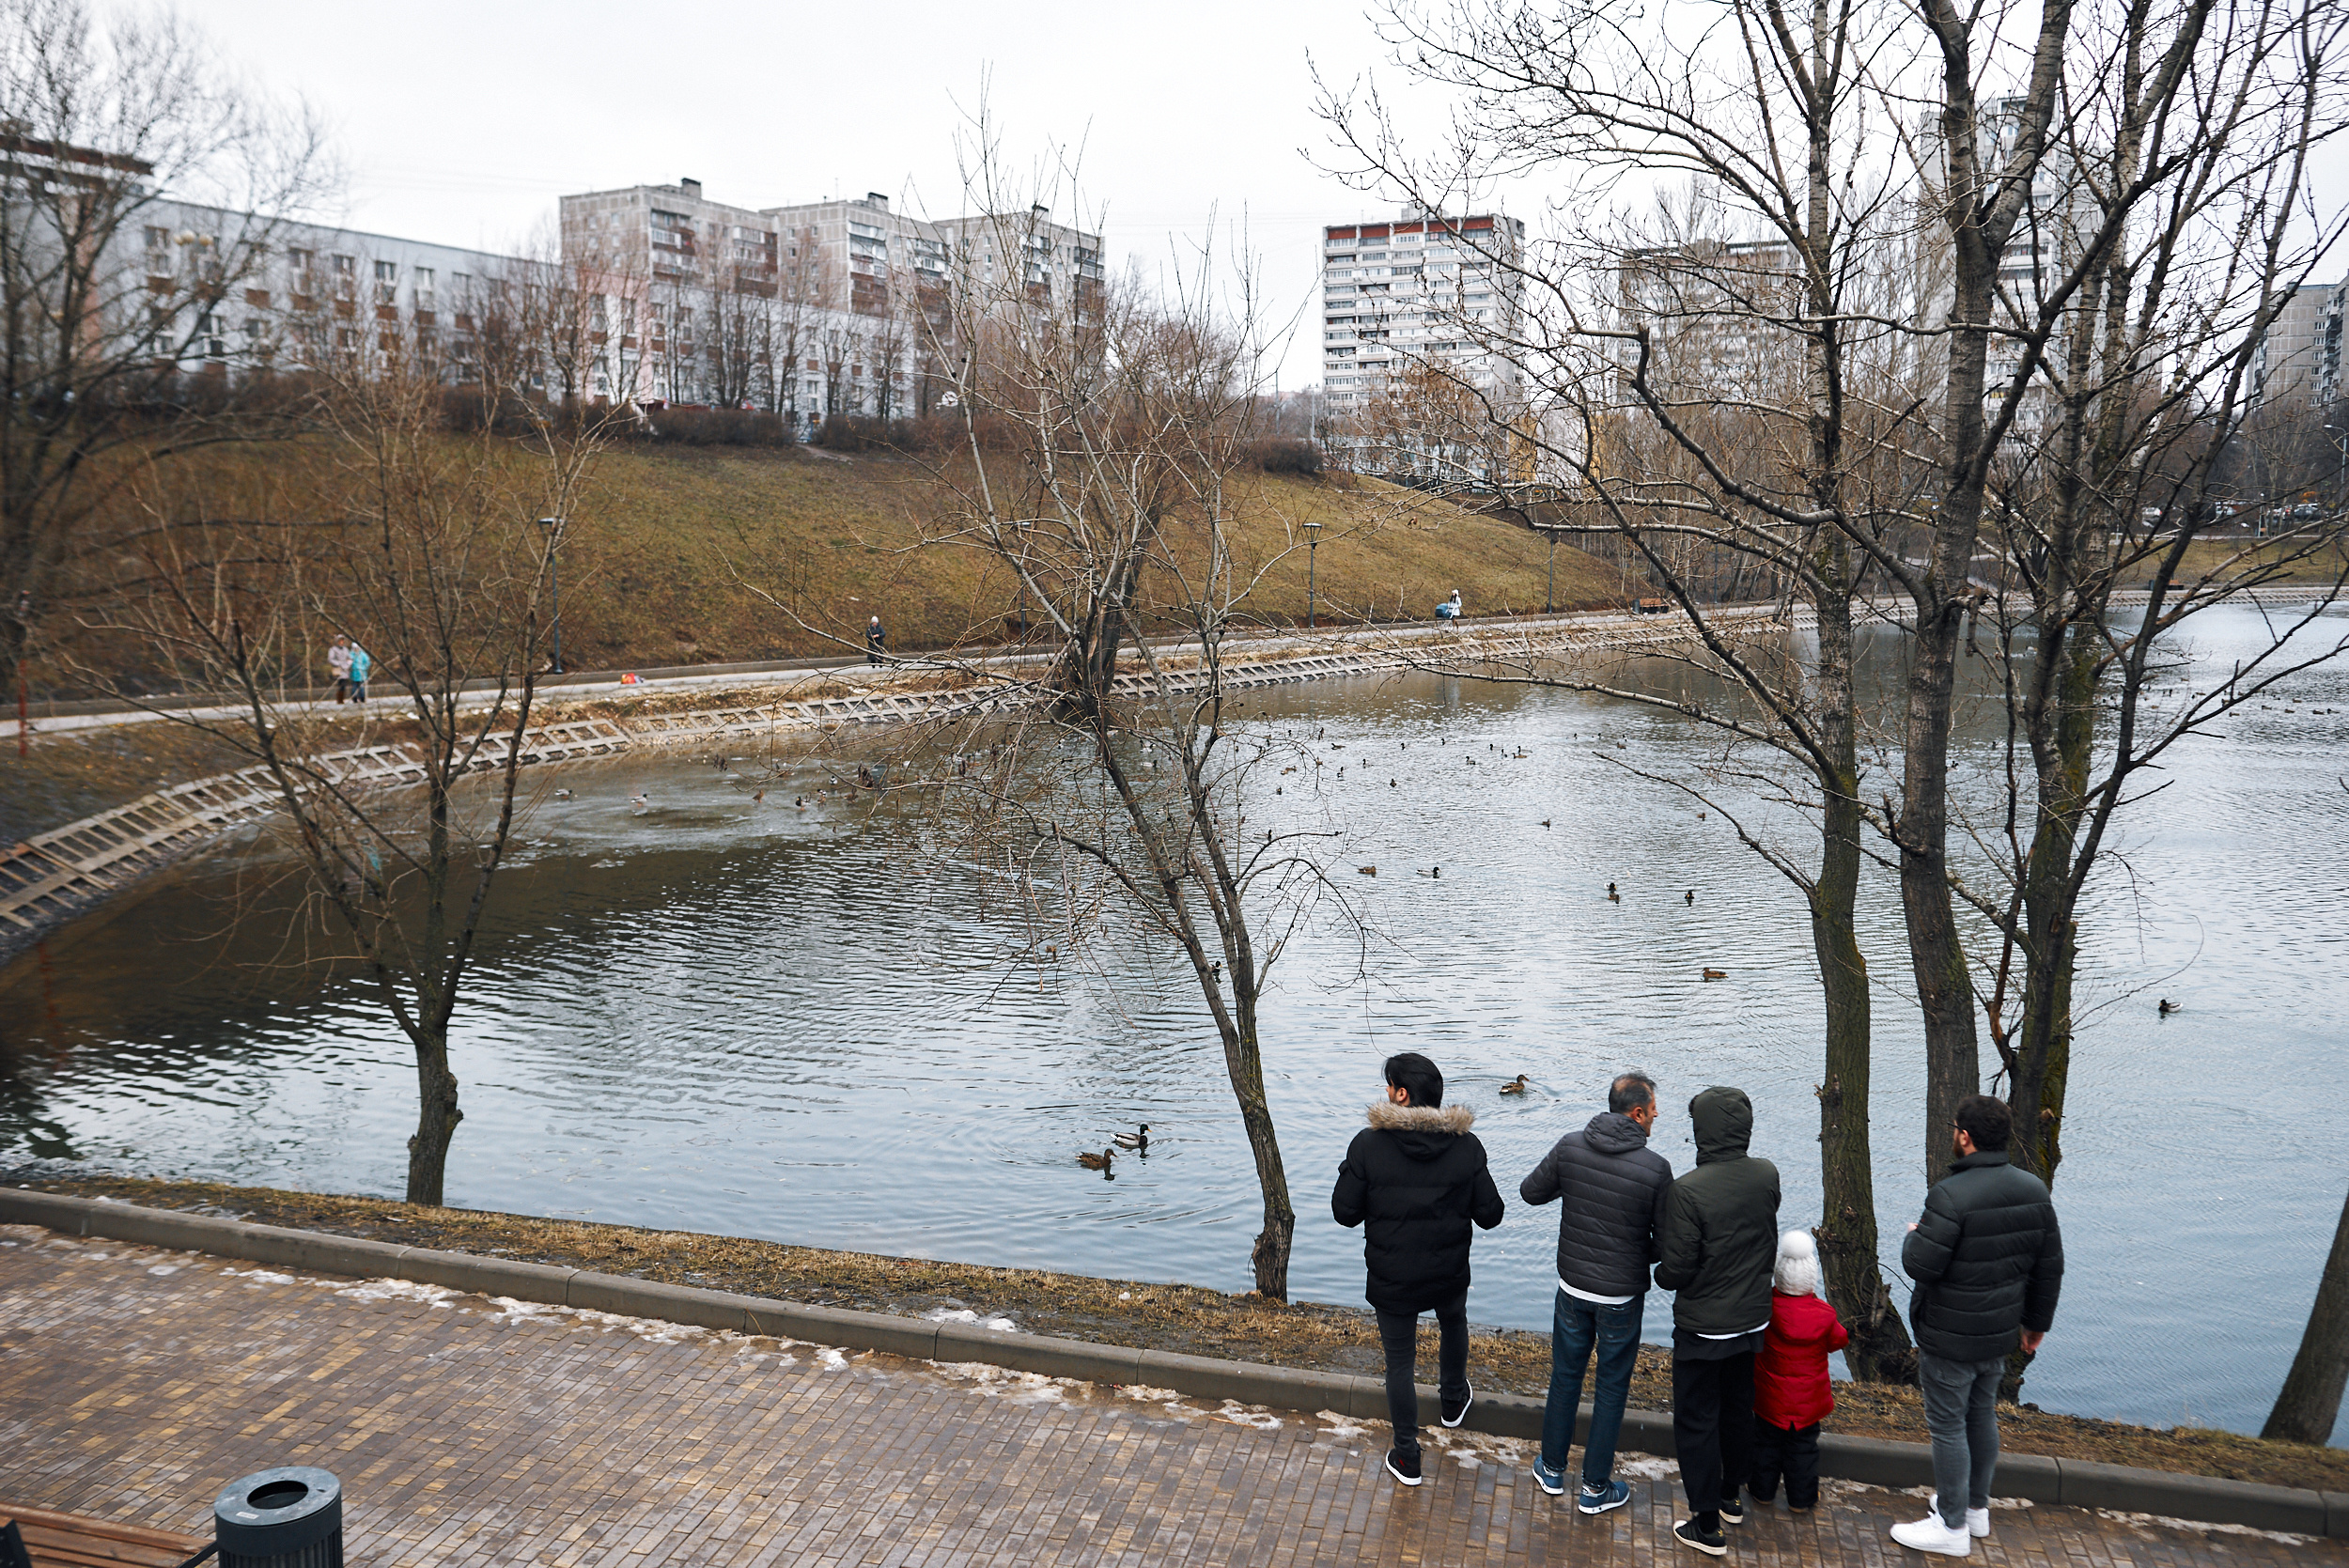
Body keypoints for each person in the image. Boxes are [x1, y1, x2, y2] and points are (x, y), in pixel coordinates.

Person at [1890, 1094, 2063, 1558]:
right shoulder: (2033, 1190)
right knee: (1981, 1415)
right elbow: (2049, 1267)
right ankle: (1973, 1510)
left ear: (1964, 1137)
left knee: (1947, 1426)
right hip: (2000, 1331)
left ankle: (1949, 1527)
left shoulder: (1950, 1195)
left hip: (1950, 1335)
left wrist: (1912, 1236)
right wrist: (2035, 1324)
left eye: (1954, 1129)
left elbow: (1923, 1264)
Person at [1331, 1051, 1504, 1488]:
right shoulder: (1467, 1147)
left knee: (1400, 1364)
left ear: (1403, 1094)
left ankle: (1407, 1457)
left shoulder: (1367, 1146)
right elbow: (1491, 1215)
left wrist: (1351, 1172)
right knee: (1453, 1322)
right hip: (1448, 1270)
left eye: (1389, 1086)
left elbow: (1344, 1213)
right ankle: (1451, 1402)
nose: (1385, 1093)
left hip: (1393, 1276)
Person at [1517, 1070, 1672, 1514]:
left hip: (1572, 1287)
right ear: (1637, 1112)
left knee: (1565, 1377)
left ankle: (1550, 1469)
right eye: (1654, 1112)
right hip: (1621, 1297)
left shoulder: (1570, 1146)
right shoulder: (1656, 1169)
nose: (1657, 1118)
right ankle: (1595, 1488)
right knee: (1610, 1388)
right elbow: (1662, 1245)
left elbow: (1530, 1192)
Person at [1653, 1085, 1780, 1558]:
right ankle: (1730, 1497)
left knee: (1697, 1420)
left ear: (1702, 1131)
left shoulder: (1687, 1190)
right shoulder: (1766, 1174)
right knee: (1737, 1408)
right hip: (1750, 1322)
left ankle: (1706, 1526)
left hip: (1703, 1327)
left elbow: (1678, 1269)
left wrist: (1661, 1271)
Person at [1748, 1231, 1847, 1514]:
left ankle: (1761, 1492)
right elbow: (1839, 1340)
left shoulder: (1765, 1309)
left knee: (1765, 1446)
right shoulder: (1824, 1315)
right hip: (1808, 1402)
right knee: (1804, 1450)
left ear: (1778, 1276)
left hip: (1769, 1399)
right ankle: (1801, 1500)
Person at [327, 635, 354, 703]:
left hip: (345, 669)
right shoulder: (333, 649)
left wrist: (348, 664)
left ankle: (342, 699)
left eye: (342, 641)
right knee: (340, 684)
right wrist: (339, 664)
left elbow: (350, 658)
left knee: (344, 684)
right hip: (338, 669)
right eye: (340, 641)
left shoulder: (346, 649)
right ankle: (339, 699)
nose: (341, 642)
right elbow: (330, 659)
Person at [345, 640, 371, 704]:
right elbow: (348, 663)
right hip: (354, 674)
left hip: (362, 674)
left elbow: (368, 662)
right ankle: (355, 698)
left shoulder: (363, 655)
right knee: (354, 687)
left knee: (361, 687)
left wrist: (364, 668)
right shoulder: (351, 654)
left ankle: (362, 698)